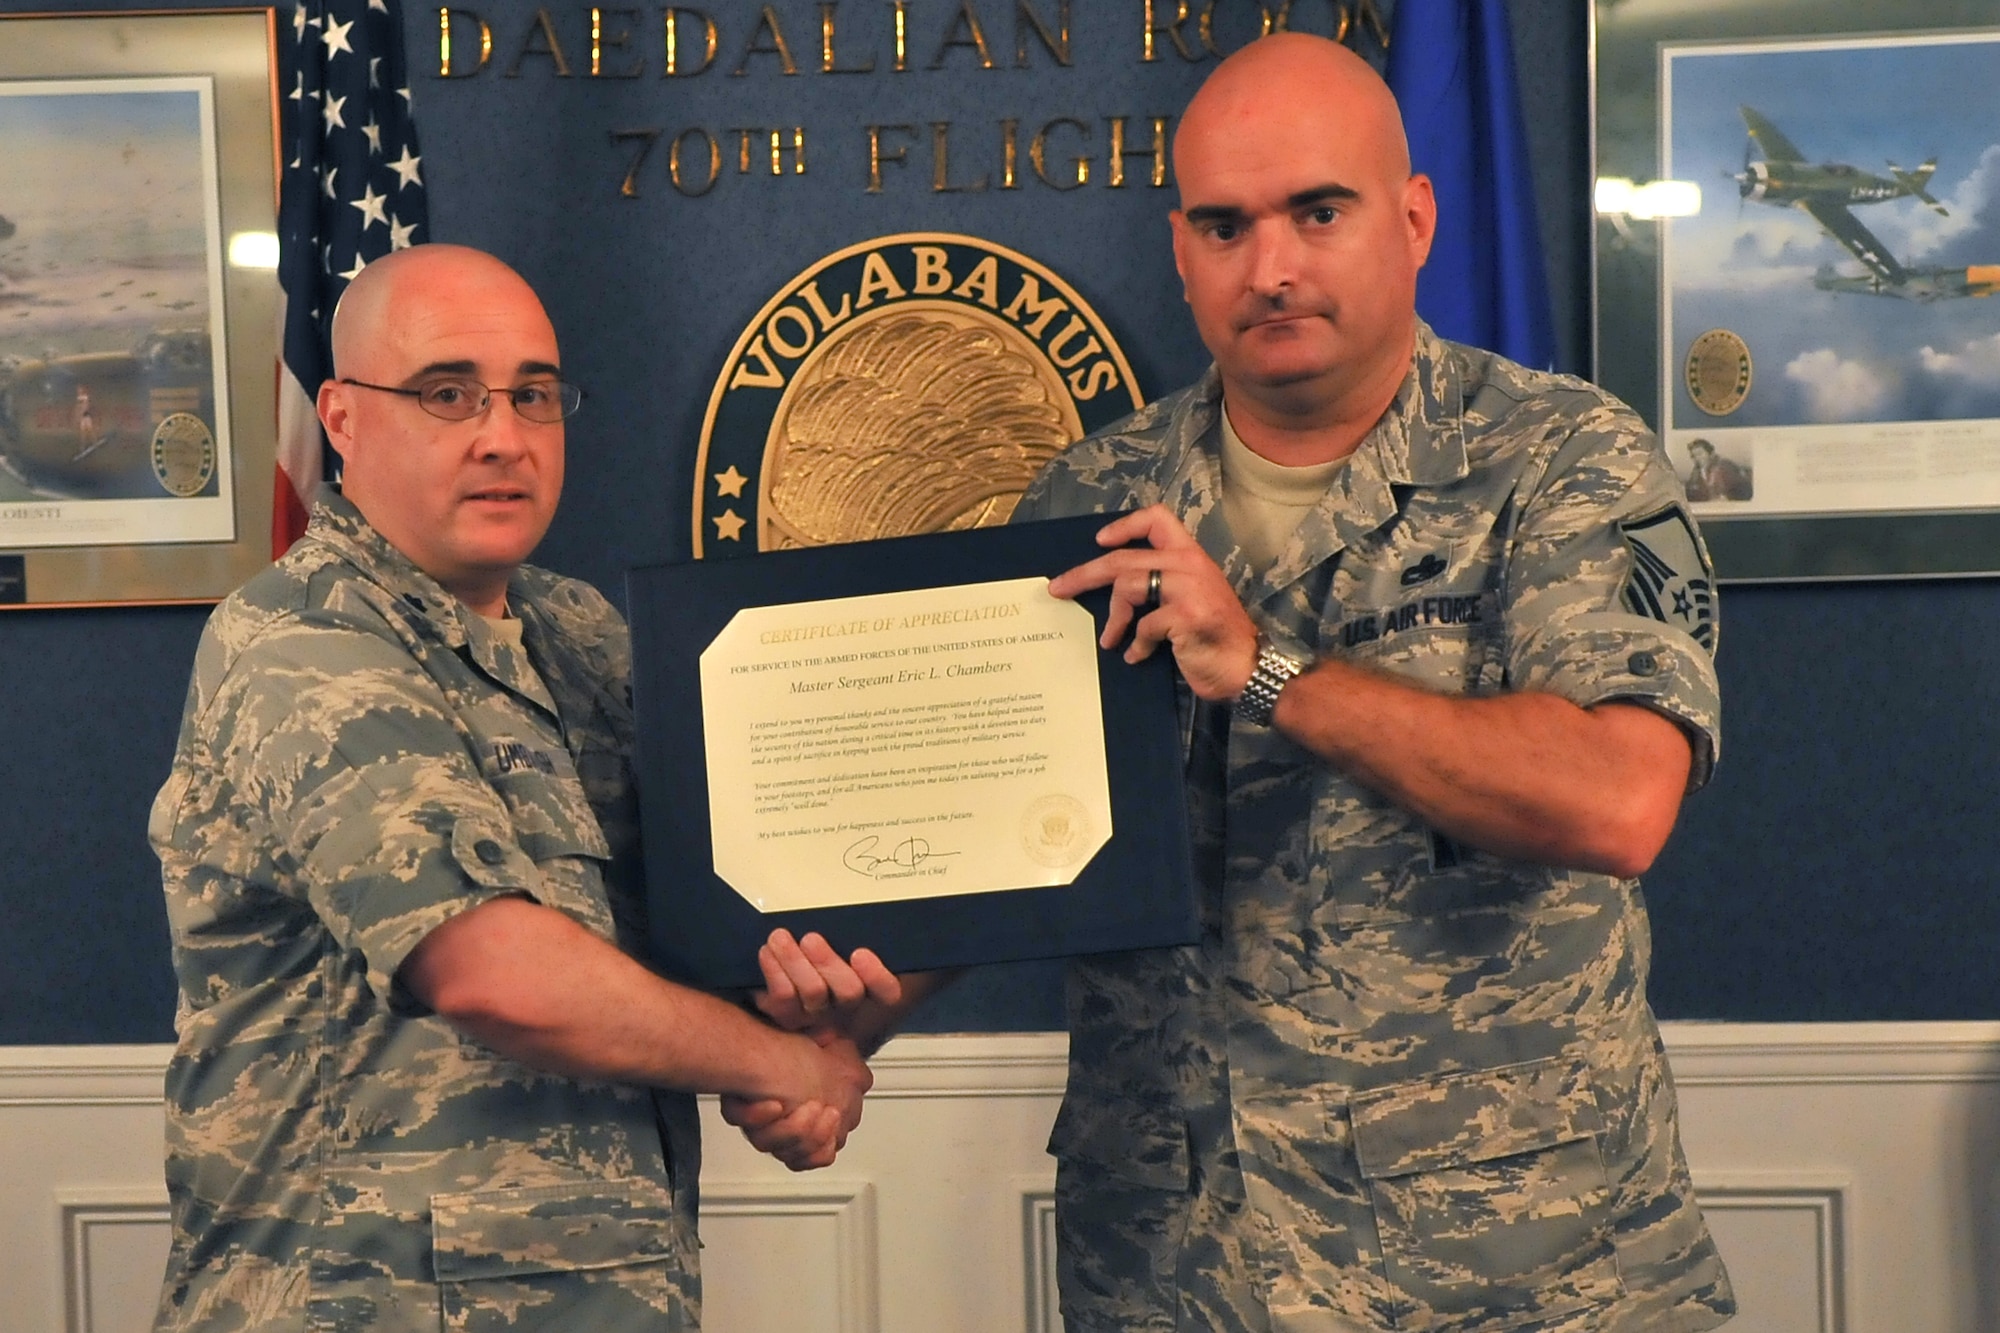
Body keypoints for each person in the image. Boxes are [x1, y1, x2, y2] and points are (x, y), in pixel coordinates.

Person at [754, 32, 1735, 1333]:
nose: (1270, 267)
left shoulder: (1567, 464)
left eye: (1314, 214)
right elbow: (1010, 850)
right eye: (1224, 227)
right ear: (1180, 250)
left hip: (1516, 1272)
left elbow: (1616, 803)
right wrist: (837, 1027)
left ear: (1415, 218)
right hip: (1178, 1268)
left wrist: (1268, 671)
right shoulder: (1093, 501)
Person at [148, 244, 874, 1333]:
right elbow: (491, 970)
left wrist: (832, 1019)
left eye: (534, 394)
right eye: (448, 393)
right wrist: (781, 1064)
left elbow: (711, 918)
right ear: (340, 419)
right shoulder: (301, 639)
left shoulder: (578, 634)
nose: (503, 435)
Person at [1684, 437, 1753, 502]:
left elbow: (1744, 489)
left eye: (1699, 454)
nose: (1697, 458)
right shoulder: (1696, 473)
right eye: (1693, 456)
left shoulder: (1725, 465)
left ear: (1710, 453)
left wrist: (1729, 497)